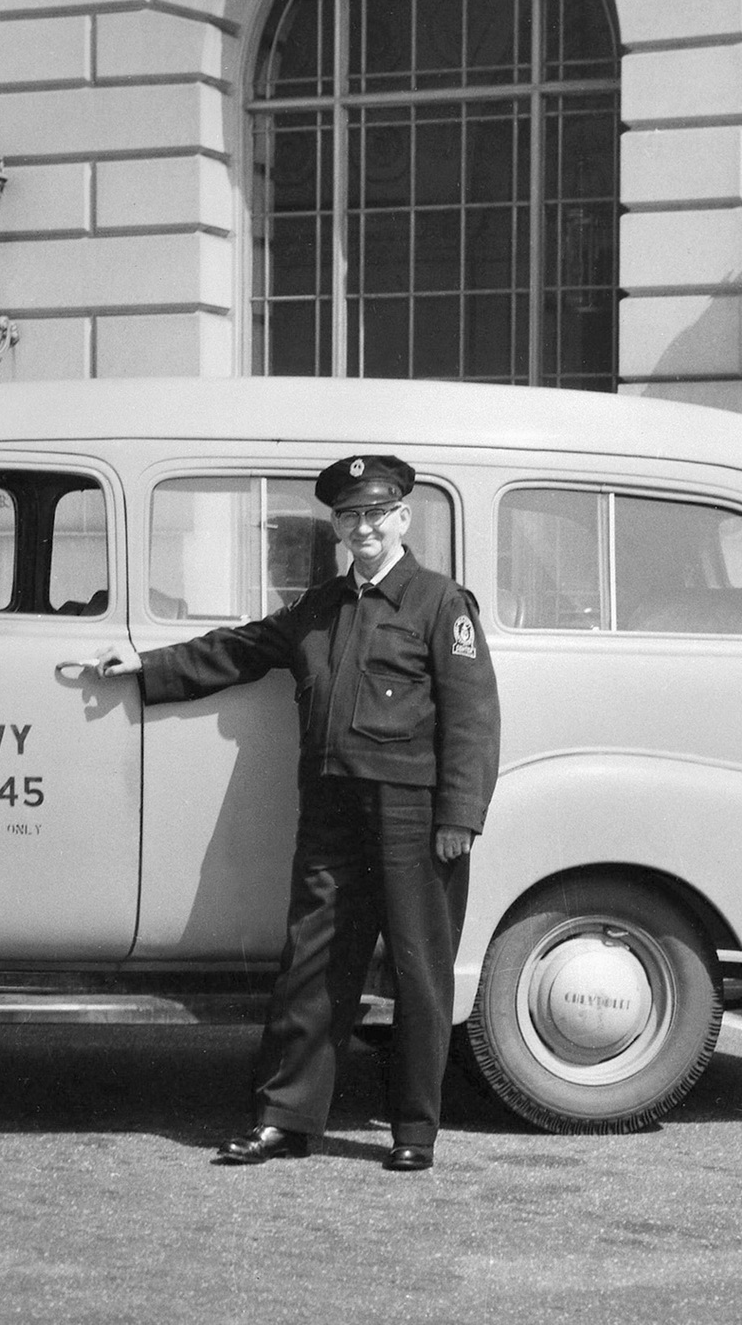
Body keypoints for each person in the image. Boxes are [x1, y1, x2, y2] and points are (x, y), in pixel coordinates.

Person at [94, 455, 500, 1172]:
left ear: (403, 518)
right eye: (349, 516)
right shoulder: (319, 607)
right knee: (312, 966)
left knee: (419, 971)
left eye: (376, 513)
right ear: (337, 527)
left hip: (413, 814)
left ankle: (413, 1129)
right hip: (332, 808)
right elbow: (240, 649)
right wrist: (143, 668)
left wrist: (459, 815)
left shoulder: (440, 603)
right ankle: (285, 1120)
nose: (363, 527)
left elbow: (472, 717)